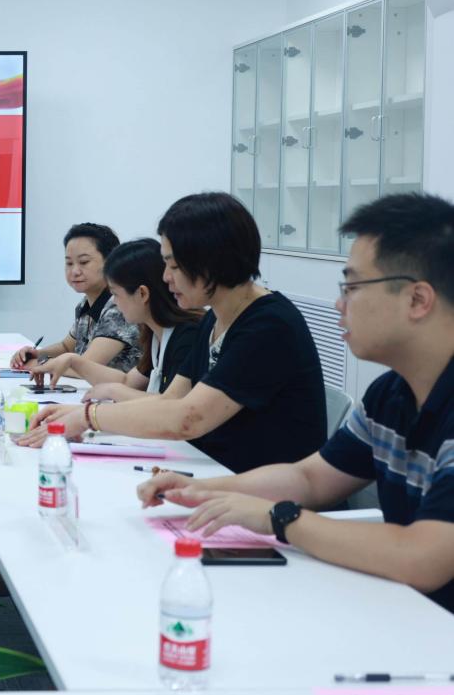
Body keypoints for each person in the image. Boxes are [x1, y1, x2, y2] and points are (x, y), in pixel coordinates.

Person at [138, 193, 454, 612]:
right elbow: (310, 479)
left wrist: (280, 518)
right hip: (404, 611)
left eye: (353, 287)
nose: (340, 304)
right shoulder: (390, 395)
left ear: (417, 300)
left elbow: (423, 557)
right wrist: (199, 490)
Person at [20, 192, 326, 474]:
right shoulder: (214, 320)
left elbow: (187, 418)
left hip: (257, 490)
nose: (165, 278)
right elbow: (169, 401)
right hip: (215, 472)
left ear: (210, 262)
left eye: (174, 266)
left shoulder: (267, 325)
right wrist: (81, 413)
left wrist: (90, 417)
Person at [29, 238, 203, 398]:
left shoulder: (187, 335)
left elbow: (172, 406)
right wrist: (72, 360)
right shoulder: (156, 335)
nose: (114, 302)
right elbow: (127, 382)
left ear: (142, 294)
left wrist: (105, 400)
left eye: (116, 294)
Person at [9, 223, 141, 376]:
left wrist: (38, 364)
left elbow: (85, 367)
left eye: (84, 262)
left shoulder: (119, 307)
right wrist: (36, 354)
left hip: (121, 390)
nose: (74, 271)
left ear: (110, 262)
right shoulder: (85, 305)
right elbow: (66, 347)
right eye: (69, 263)